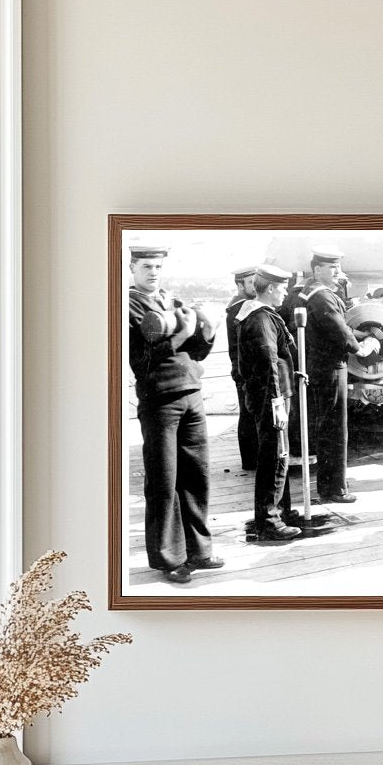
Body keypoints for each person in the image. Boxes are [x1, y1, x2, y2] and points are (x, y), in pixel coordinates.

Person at [127, 245, 224, 582]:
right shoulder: (127, 305)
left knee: (197, 476)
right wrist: (181, 333)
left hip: (191, 393)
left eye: (157, 267)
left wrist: (207, 333)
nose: (153, 272)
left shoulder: (171, 300)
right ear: (132, 268)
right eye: (146, 266)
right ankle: (169, 558)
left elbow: (195, 352)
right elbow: (141, 360)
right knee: (164, 481)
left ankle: (200, 551)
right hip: (160, 400)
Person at [299, 247, 378, 504]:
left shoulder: (311, 291)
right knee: (335, 428)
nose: (338, 272)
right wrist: (363, 349)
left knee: (327, 426)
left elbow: (339, 326)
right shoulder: (322, 296)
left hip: (321, 366)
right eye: (332, 267)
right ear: (317, 269)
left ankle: (329, 485)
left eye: (338, 267)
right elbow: (339, 330)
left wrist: (360, 335)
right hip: (331, 368)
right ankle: (335, 489)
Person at [235, 265, 303, 541]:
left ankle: (279, 511)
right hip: (271, 397)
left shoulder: (260, 314)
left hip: (271, 394)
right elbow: (267, 363)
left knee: (277, 455)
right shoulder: (261, 318)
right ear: (271, 288)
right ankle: (270, 521)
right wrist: (276, 403)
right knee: (276, 457)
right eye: (283, 288)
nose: (285, 293)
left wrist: (294, 374)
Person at [224, 266, 259, 471]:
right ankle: (251, 461)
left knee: (247, 413)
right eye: (251, 282)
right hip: (245, 369)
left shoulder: (236, 306)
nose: (256, 286)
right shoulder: (241, 308)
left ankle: (250, 460)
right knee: (248, 414)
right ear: (240, 285)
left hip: (241, 367)